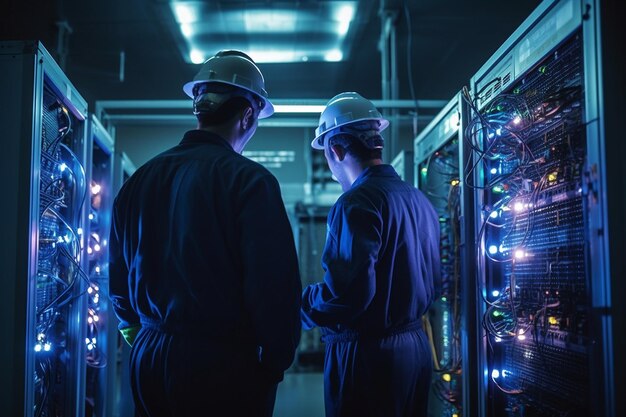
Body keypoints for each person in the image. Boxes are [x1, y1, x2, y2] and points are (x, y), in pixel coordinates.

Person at [109, 50, 302, 417]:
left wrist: (140, 333)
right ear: (248, 115)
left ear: (200, 108)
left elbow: (117, 276)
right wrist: (276, 360)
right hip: (221, 365)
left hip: (149, 355)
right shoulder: (250, 182)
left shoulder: (139, 181)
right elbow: (273, 286)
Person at [301, 92, 441, 417]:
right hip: (415, 350)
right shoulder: (418, 199)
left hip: (369, 357)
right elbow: (435, 279)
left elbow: (347, 296)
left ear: (335, 150)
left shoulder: (355, 203)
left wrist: (300, 306)